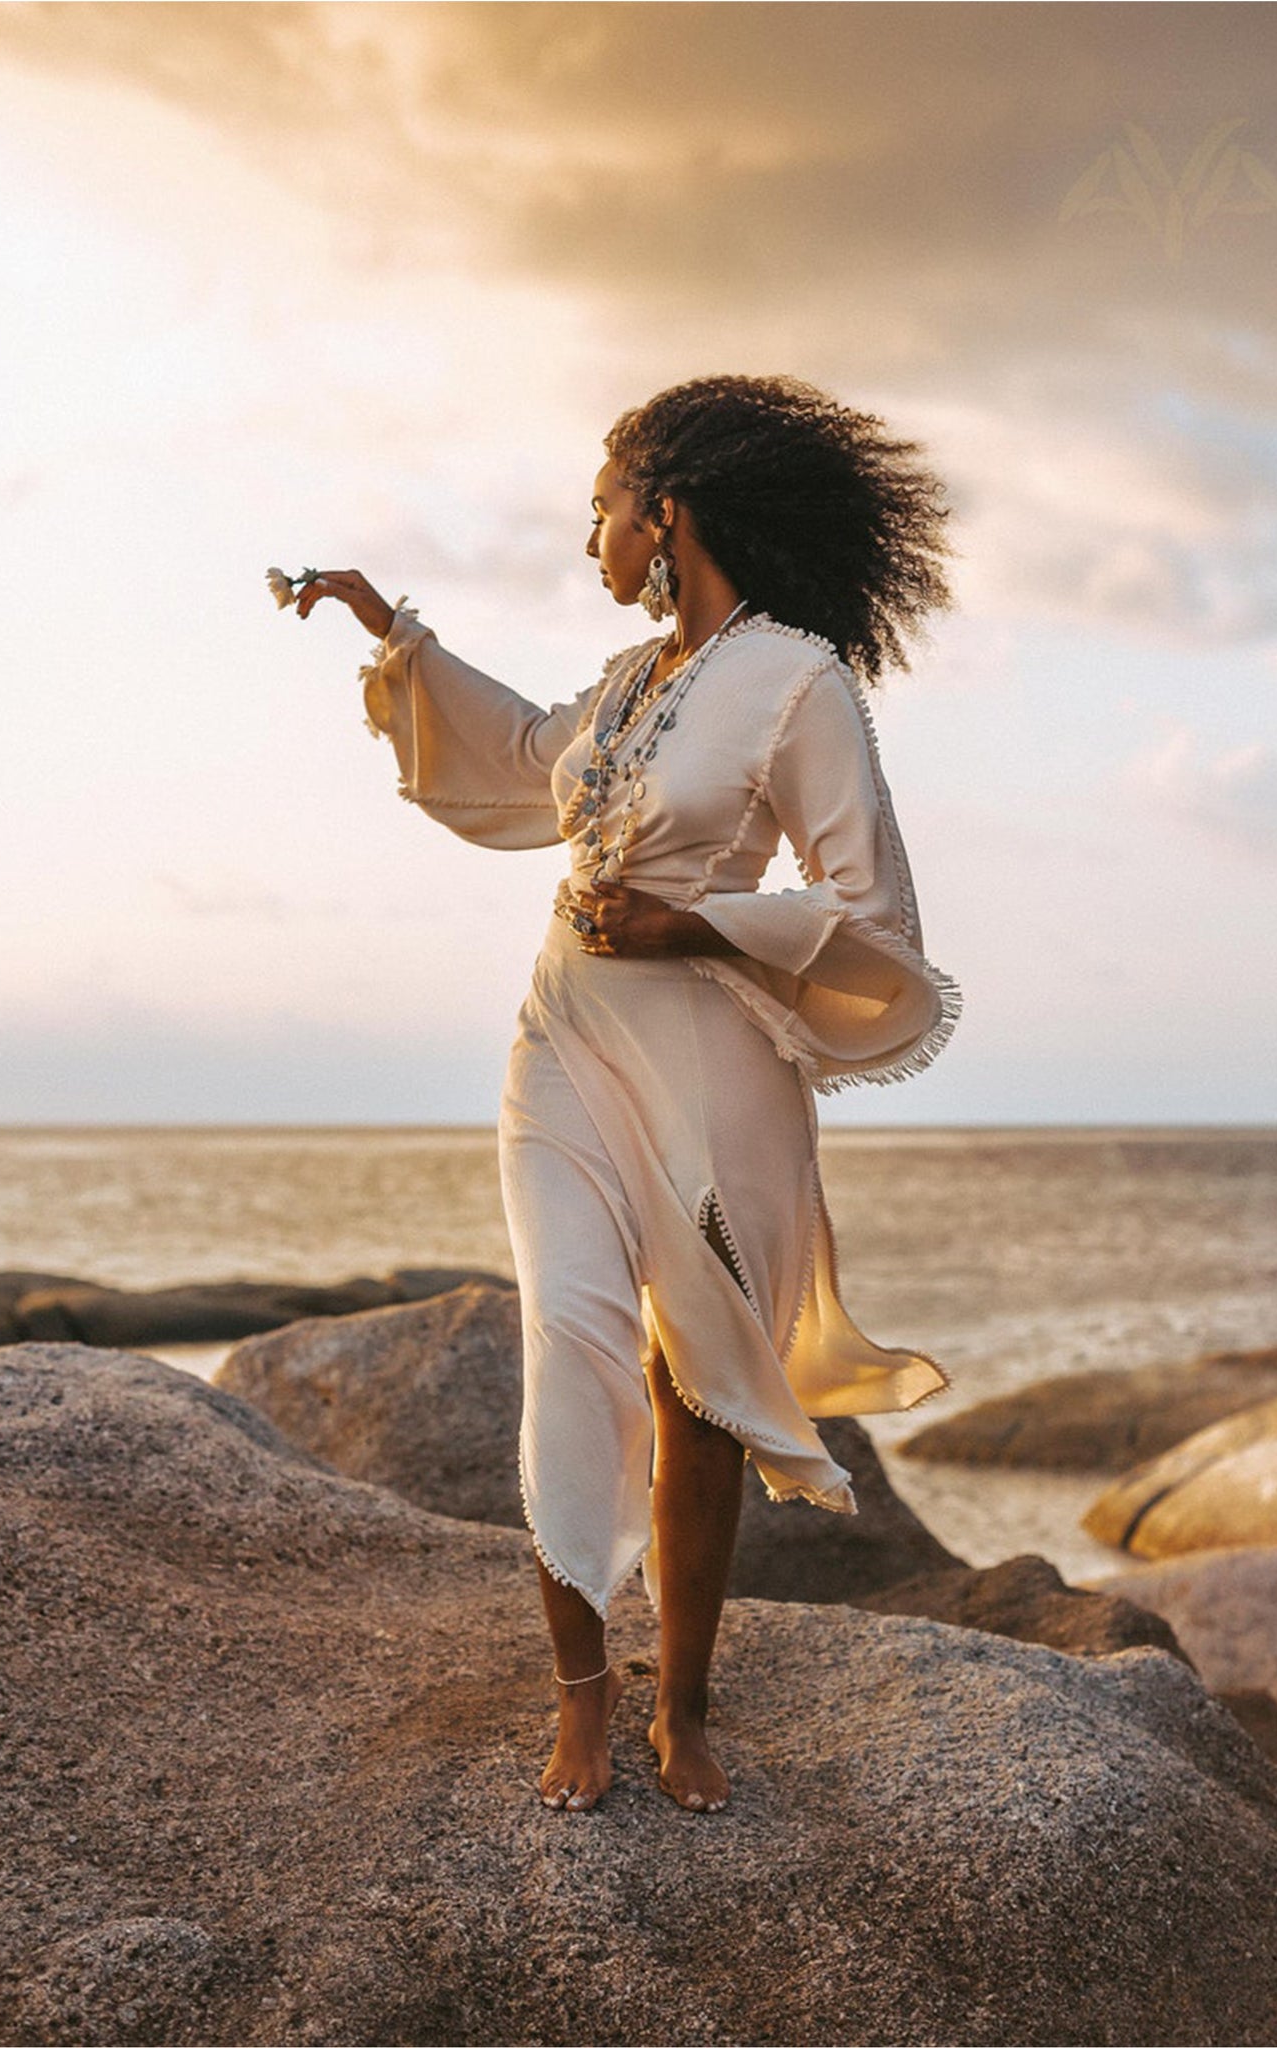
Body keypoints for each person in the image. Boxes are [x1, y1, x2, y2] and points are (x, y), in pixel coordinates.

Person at [291, 373, 960, 1816]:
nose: (585, 536)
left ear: (667, 515)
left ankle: (690, 1705)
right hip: (560, 1042)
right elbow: (528, 761)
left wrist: (696, 924)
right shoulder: (628, 685)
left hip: (705, 1062)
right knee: (573, 1337)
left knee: (697, 1385)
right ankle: (583, 1695)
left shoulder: (798, 681)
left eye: (599, 507)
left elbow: (871, 910)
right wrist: (389, 634)